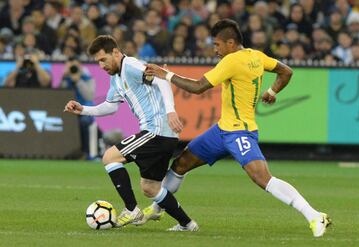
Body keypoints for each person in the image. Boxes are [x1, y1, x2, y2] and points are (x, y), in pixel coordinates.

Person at [143, 19, 331, 237]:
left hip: (239, 132)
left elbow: (197, 87)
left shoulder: (231, 61)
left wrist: (165, 74)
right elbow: (286, 71)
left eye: (217, 45)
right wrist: (272, 91)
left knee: (263, 179)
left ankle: (315, 215)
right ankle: (158, 208)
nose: (214, 50)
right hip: (221, 130)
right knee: (181, 163)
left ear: (230, 43)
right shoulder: (256, 56)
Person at [64, 35, 198, 232]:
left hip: (156, 130)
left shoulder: (130, 65)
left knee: (110, 157)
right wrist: (83, 109)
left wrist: (170, 111)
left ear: (116, 53)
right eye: (97, 62)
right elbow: (110, 106)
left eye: (103, 59)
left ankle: (131, 209)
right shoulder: (117, 77)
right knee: (150, 188)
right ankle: (188, 224)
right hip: (162, 135)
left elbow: (161, 79)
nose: (101, 66)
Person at [60, 57, 95, 158]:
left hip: (85, 111)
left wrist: (78, 81)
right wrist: (64, 76)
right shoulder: (66, 79)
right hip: (68, 111)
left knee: (83, 122)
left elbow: (89, 96)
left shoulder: (87, 79)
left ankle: (85, 153)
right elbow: (58, 95)